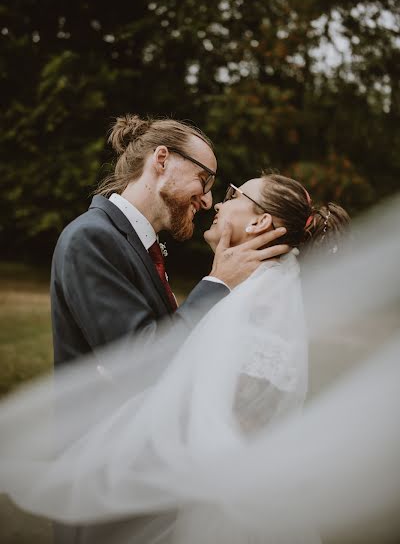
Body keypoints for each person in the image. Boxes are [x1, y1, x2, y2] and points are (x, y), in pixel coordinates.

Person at [50, 115, 289, 543]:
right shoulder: (92, 238)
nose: (209, 197)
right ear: (161, 160)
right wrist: (216, 286)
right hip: (104, 485)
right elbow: (142, 361)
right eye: (204, 178)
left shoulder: (138, 247)